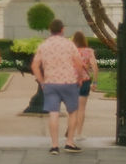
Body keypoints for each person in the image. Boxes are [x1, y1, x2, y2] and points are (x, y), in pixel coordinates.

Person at [31, 19, 86, 155]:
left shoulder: (44, 45)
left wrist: (42, 81)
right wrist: (79, 78)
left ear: (50, 30)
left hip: (50, 83)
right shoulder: (69, 44)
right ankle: (69, 142)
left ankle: (54, 146)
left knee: (53, 113)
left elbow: (34, 66)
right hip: (69, 82)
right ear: (62, 30)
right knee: (72, 112)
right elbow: (79, 63)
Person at [71, 31, 98, 141]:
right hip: (85, 81)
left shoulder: (71, 51)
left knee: (72, 109)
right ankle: (79, 134)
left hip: (71, 82)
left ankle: (70, 134)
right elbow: (95, 67)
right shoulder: (89, 51)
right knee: (81, 109)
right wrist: (95, 82)